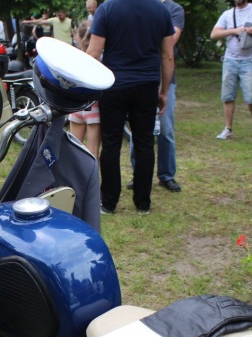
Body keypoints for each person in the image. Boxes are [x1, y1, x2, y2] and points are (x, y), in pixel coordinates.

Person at [87, 0, 175, 215]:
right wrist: (164, 91)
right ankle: (143, 204)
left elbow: (94, 53)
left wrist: (87, 87)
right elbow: (167, 56)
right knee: (145, 143)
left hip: (114, 85)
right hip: (147, 85)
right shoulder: (161, 10)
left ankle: (109, 203)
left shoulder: (107, 8)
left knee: (111, 144)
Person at [128, 0, 185, 193]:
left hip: (164, 78)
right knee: (138, 127)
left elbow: (171, 40)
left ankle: (166, 175)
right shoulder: (140, 5)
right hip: (141, 77)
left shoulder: (174, 9)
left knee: (165, 129)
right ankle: (138, 174)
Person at [210, 0, 252, 141]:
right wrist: (233, 31)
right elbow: (214, 34)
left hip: (250, 60)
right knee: (227, 96)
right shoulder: (227, 14)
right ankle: (228, 129)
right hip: (230, 60)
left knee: (251, 97)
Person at [69, 21, 101, 161]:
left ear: (77, 36)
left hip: (76, 106)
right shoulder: (99, 59)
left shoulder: (74, 58)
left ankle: (73, 176)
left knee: (74, 151)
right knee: (93, 153)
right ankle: (93, 176)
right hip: (93, 107)